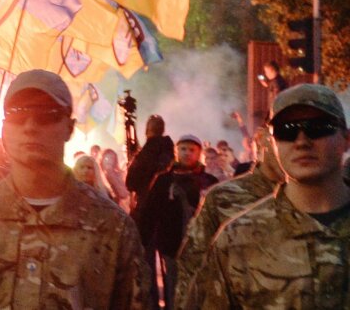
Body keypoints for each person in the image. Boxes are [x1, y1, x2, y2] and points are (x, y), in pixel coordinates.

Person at [0, 70, 147, 309]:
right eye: (18, 114)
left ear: (69, 127)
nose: (30, 125)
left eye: (47, 114)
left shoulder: (113, 229)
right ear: (4, 129)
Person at [184, 84, 350, 308]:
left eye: (318, 127)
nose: (301, 141)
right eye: (287, 130)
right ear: (272, 142)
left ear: (346, 139)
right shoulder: (237, 240)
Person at [175, 125, 284, 302]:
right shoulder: (224, 198)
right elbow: (191, 267)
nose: (300, 142)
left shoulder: (329, 201)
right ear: (263, 141)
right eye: (286, 131)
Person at [135, 133, 218, 308]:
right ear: (176, 151)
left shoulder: (209, 182)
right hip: (172, 248)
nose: (187, 153)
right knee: (174, 292)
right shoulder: (164, 180)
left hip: (203, 250)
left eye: (192, 150)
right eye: (183, 149)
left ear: (199, 153)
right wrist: (142, 241)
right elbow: (150, 212)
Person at [125, 113, 174, 209]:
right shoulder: (168, 149)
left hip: (147, 202)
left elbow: (131, 182)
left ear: (147, 130)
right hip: (166, 201)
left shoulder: (146, 151)